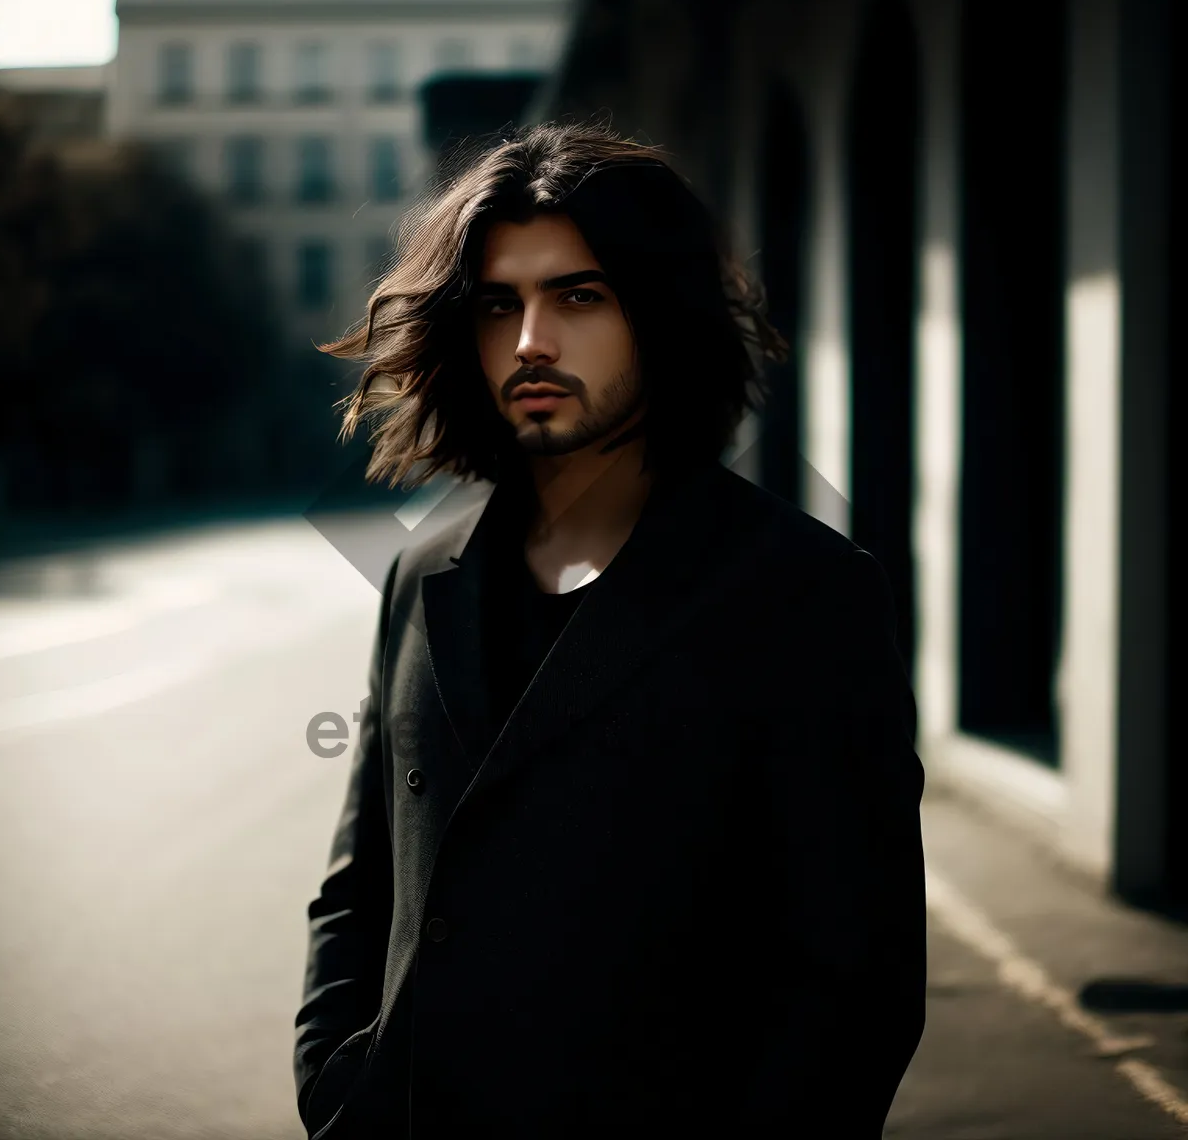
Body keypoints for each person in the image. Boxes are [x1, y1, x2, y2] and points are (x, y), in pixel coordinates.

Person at [293, 119, 926, 1139]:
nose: (532, 341)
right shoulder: (422, 576)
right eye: (500, 306)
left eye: (578, 296)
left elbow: (855, 978)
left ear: (660, 315)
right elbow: (361, 883)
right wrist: (334, 1085)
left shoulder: (801, 594)